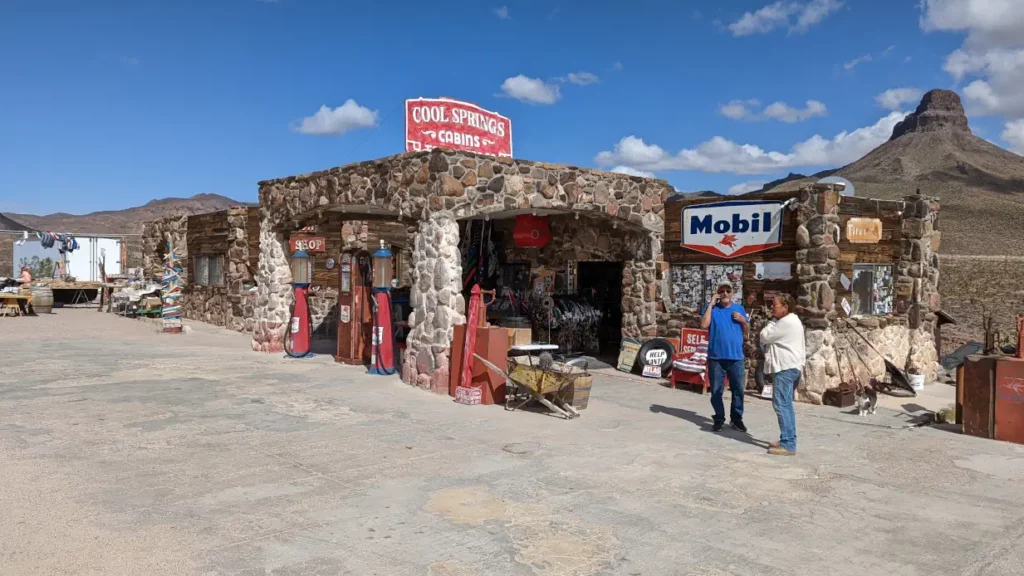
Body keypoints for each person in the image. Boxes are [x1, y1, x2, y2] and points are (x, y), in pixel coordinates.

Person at [760, 294, 805, 456]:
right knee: (786, 404)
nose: (772, 307)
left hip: (785, 369)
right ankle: (787, 438)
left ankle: (788, 443)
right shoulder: (791, 321)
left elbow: (764, 337)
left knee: (781, 405)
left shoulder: (785, 323)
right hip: (791, 367)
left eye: (775, 305)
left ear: (785, 307)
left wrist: (771, 322)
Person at [700, 283, 749, 432]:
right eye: (722, 291)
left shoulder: (739, 309)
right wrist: (710, 304)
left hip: (736, 357)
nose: (725, 293)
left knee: (738, 390)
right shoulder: (712, 309)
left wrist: (742, 320)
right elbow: (703, 325)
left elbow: (747, 330)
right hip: (716, 357)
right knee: (716, 390)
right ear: (718, 293)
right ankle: (719, 418)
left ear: (732, 293)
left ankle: (736, 419)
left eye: (728, 291)